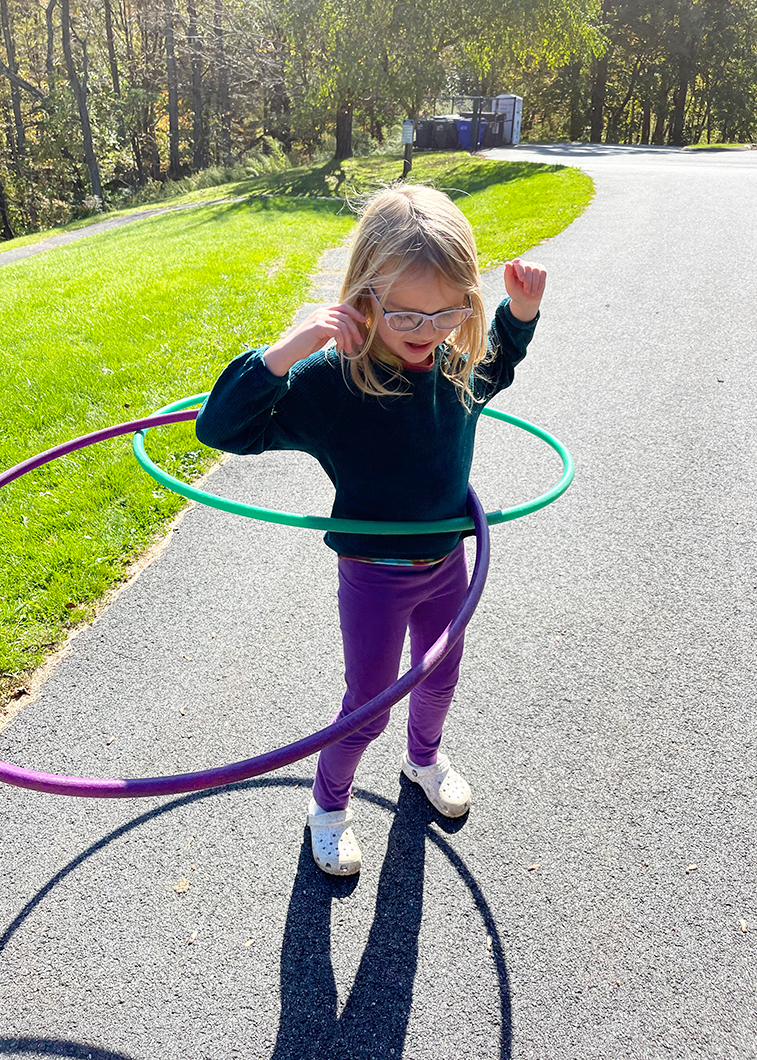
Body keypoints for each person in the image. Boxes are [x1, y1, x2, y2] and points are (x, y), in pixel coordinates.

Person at [196, 183, 546, 876]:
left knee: (441, 674)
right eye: (408, 316)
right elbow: (223, 428)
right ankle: (328, 807)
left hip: (448, 562)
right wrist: (287, 350)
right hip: (374, 578)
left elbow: (500, 356)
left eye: (449, 311)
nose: (430, 330)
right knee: (369, 705)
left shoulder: (456, 366)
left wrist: (522, 312)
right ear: (363, 300)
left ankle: (423, 761)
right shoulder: (334, 384)